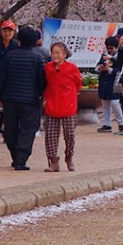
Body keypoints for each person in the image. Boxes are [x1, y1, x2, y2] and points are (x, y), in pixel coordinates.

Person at [0, 27, 47, 170]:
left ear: (19, 40)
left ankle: (15, 156)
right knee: (27, 130)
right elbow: (42, 80)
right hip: (30, 100)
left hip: (9, 99)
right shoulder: (38, 58)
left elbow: (1, 77)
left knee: (10, 128)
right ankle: (21, 159)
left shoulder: (10, 56)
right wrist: (41, 95)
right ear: (35, 41)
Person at [42, 40, 82, 172]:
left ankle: (69, 157)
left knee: (70, 134)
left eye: (58, 53)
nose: (56, 56)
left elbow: (78, 83)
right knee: (51, 135)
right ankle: (53, 160)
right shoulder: (48, 67)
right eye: (53, 53)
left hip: (68, 105)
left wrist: (71, 96)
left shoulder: (72, 68)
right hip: (52, 104)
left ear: (65, 54)